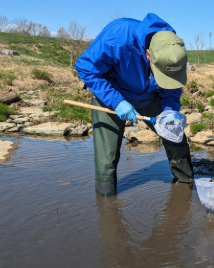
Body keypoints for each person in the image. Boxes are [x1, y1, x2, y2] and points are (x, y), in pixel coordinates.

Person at [75, 13, 194, 196]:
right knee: (107, 158)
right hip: (110, 93)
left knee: (174, 136)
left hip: (147, 95)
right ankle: (107, 205)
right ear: (148, 54)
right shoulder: (117, 37)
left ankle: (185, 188)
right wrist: (117, 102)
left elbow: (172, 87)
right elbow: (85, 67)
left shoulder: (173, 50)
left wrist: (169, 111)